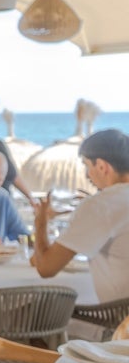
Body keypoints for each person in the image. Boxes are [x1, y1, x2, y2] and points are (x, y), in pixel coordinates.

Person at [31, 128, 129, 302]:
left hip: (120, 322)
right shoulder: (105, 204)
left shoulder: (100, 205)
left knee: (51, 312)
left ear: (101, 166)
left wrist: (40, 222)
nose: (86, 175)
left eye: (86, 165)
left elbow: (46, 269)